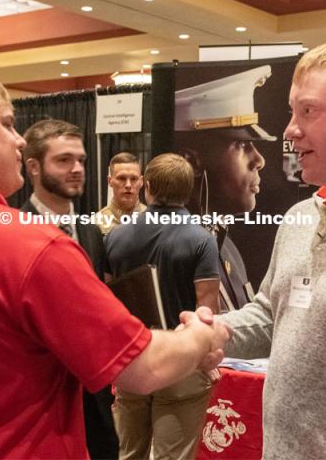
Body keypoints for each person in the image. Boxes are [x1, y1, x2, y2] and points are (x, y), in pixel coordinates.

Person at [0, 61, 231, 459]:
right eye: (8, 123)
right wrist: (204, 333)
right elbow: (143, 366)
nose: (19, 141)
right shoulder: (26, 244)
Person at [215, 39, 326, 459]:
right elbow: (269, 315)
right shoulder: (301, 215)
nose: (290, 129)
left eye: (308, 111)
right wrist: (212, 333)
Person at [105, 153, 220, 460]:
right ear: (190, 190)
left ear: (148, 186)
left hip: (132, 360)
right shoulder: (201, 239)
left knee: (127, 454)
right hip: (182, 364)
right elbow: (207, 307)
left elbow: (106, 301)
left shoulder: (116, 237)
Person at [21, 119, 116, 459]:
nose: (77, 169)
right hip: (39, 395)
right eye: (63, 160)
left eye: (81, 160)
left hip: (95, 391)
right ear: (33, 166)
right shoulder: (15, 231)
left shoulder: (91, 230)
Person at [176, 66, 273, 310]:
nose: (259, 160)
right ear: (193, 161)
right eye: (242, 144)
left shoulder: (223, 243)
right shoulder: (175, 252)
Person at [96, 152, 146, 235]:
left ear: (141, 182)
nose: (128, 185)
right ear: (109, 181)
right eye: (121, 178)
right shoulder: (96, 224)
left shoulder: (154, 221)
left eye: (133, 179)